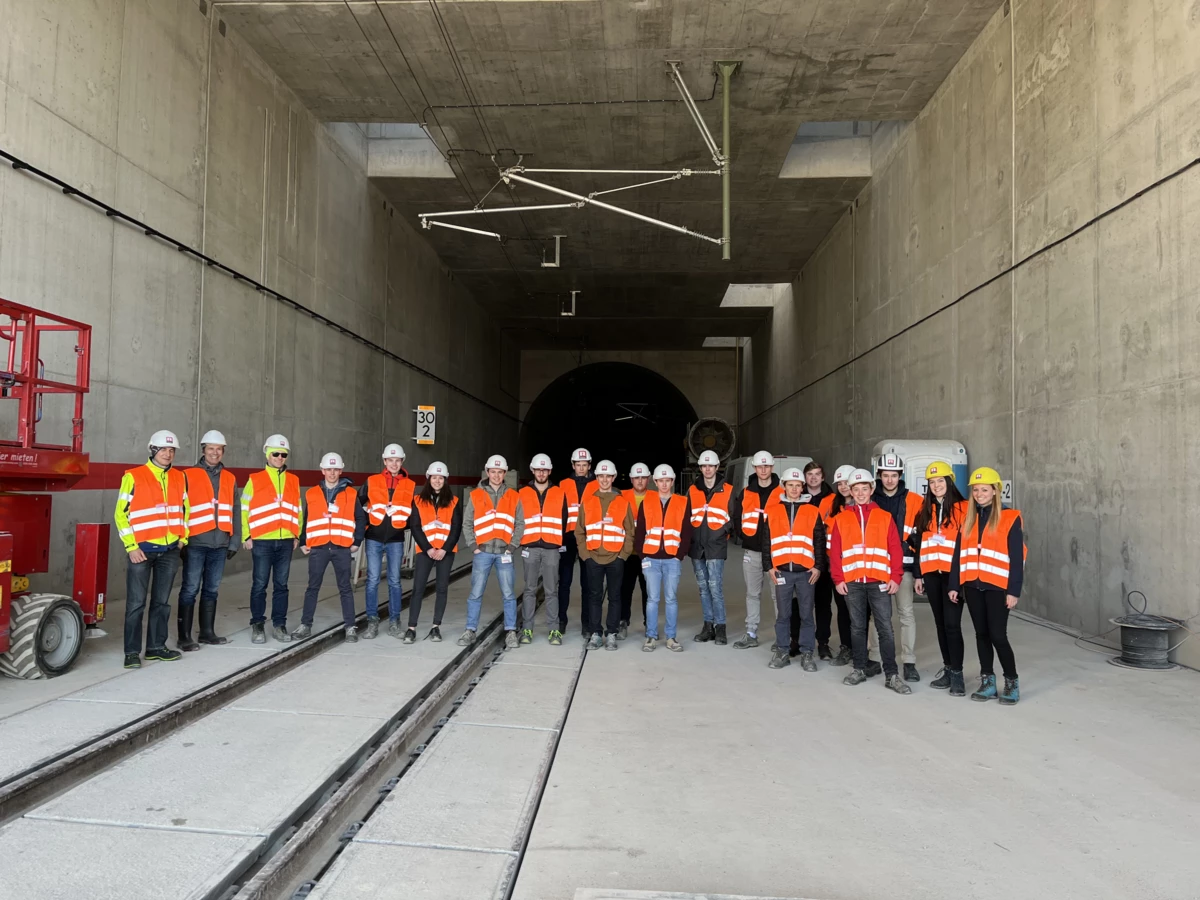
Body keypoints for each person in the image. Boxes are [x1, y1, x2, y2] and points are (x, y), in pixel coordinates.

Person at [830, 468, 911, 695]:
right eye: (856, 489)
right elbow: (834, 552)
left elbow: (896, 550)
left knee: (885, 628)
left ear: (871, 490)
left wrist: (895, 577)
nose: (861, 493)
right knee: (857, 628)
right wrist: (838, 579)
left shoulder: (884, 517)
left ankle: (892, 675)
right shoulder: (841, 518)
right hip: (853, 582)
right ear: (851, 492)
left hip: (879, 582)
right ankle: (859, 668)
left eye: (865, 489)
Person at [950, 467, 1024, 705]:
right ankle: (988, 682)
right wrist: (954, 585)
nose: (979, 494)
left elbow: (1016, 558)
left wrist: (1014, 591)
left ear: (995, 491)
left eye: (984, 489)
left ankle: (1011, 681)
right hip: (972, 586)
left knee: (998, 636)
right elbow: (957, 555)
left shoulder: (1010, 518)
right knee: (981, 634)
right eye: (975, 490)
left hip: (998, 588)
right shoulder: (967, 519)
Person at [115, 430, 189, 669]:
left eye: (171, 450)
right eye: (163, 449)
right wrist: (131, 546)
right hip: (142, 551)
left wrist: (182, 539)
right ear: (153, 450)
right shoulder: (134, 476)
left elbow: (185, 510)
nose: (168, 454)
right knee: (136, 603)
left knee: (162, 602)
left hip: (169, 550)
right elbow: (121, 514)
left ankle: (156, 648)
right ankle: (131, 652)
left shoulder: (180, 477)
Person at [177, 429, 238, 650]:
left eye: (219, 449)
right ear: (203, 450)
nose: (215, 453)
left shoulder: (230, 478)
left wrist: (234, 541)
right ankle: (184, 637)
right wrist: (181, 540)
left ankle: (207, 632)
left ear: (223, 452)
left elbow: (236, 510)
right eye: (211, 449)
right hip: (195, 542)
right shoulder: (187, 475)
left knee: (211, 589)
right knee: (190, 588)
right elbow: (179, 509)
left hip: (220, 543)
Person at [762, 467, 827, 671]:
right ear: (784, 486)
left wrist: (818, 566)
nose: (794, 489)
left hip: (806, 571)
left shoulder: (812, 510)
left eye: (798, 485)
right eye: (790, 485)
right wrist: (768, 567)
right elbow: (766, 541)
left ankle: (807, 653)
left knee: (807, 614)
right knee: (783, 615)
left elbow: (819, 540)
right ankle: (782, 651)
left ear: (802, 487)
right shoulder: (772, 511)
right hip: (782, 571)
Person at [913, 462, 968, 695]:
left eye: (940, 481)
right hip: (931, 575)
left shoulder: (965, 508)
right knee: (940, 624)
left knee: (953, 625)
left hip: (954, 576)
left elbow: (966, 545)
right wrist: (918, 575)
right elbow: (918, 546)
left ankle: (957, 674)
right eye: (932, 482)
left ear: (950, 482)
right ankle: (948, 668)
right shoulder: (924, 511)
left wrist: (959, 579)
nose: (936, 486)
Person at [295, 453, 364, 641]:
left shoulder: (351, 493)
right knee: (312, 587)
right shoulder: (311, 493)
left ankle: (350, 626)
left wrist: (357, 541)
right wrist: (303, 541)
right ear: (322, 470)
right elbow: (306, 519)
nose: (332, 473)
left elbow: (360, 517)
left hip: (342, 547)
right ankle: (305, 625)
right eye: (329, 469)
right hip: (319, 547)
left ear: (340, 471)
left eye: (335, 469)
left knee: (345, 588)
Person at [242, 433, 303, 643]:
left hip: (286, 540)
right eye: (275, 453)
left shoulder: (293, 480)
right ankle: (257, 625)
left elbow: (298, 509)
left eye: (283, 454)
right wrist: (246, 535)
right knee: (259, 585)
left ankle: (279, 625)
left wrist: (297, 534)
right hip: (262, 541)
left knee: (281, 585)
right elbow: (244, 508)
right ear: (267, 454)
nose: (279, 457)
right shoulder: (255, 479)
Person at [868, 452, 923, 682]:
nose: (889, 480)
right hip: (876, 568)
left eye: (894, 475)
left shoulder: (916, 501)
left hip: (905, 568)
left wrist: (919, 574)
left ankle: (909, 662)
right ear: (878, 475)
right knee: (877, 616)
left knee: (906, 614)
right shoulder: (869, 500)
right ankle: (874, 658)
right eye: (885, 475)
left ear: (900, 475)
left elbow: (921, 540)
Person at [461, 455, 524, 649]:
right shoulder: (476, 495)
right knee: (476, 593)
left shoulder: (514, 496)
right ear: (487, 472)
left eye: (500, 472)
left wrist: (512, 546)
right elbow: (467, 523)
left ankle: (511, 631)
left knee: (508, 594)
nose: (496, 475)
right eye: (493, 472)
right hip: (484, 552)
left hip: (504, 552)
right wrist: (473, 546)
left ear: (505, 474)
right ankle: (470, 630)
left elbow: (520, 524)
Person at [576, 459, 635, 650]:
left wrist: (623, 555)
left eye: (607, 476)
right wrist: (585, 555)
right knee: (594, 596)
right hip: (593, 557)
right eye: (601, 476)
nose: (604, 480)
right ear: (597, 477)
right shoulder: (588, 502)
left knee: (615, 597)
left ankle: (611, 633)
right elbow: (579, 531)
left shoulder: (622, 502)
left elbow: (629, 532)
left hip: (615, 559)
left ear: (613, 477)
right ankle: (595, 633)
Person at [728, 450, 782, 650]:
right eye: (760, 466)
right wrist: (744, 536)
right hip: (752, 552)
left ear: (772, 467)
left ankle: (781, 636)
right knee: (752, 594)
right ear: (755, 468)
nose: (763, 470)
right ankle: (751, 633)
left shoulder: (782, 491)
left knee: (779, 595)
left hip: (776, 553)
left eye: (767, 466)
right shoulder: (746, 492)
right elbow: (737, 516)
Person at [635, 464, 692, 652]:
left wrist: (679, 555)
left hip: (671, 559)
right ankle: (651, 637)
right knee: (652, 599)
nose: (665, 484)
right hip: (651, 558)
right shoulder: (647, 502)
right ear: (656, 482)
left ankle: (671, 638)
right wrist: (643, 555)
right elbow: (641, 531)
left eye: (668, 480)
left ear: (672, 481)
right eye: (661, 481)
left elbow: (686, 532)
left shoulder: (683, 502)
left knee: (671, 599)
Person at [360, 443, 414, 639]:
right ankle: (372, 622)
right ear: (384, 461)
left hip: (396, 539)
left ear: (402, 462)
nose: (394, 463)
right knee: (373, 580)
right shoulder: (371, 481)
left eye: (397, 460)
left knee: (394, 582)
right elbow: (359, 505)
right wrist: (367, 523)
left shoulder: (409, 484)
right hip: (374, 537)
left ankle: (394, 622)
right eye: (390, 460)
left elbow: (412, 511)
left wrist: (404, 524)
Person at [408, 461, 462, 643]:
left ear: (445, 480)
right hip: (426, 551)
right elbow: (415, 527)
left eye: (441, 478)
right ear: (428, 478)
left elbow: (456, 529)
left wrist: (444, 550)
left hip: (445, 552)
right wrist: (428, 548)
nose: (437, 481)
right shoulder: (417, 500)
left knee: (441, 588)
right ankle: (411, 628)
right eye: (434, 477)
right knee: (418, 588)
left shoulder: (454, 501)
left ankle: (435, 627)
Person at [518, 454, 566, 645]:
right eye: (538, 469)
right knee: (529, 589)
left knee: (551, 590)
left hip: (551, 548)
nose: (541, 473)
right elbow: (518, 519)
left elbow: (564, 520)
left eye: (544, 470)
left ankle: (554, 630)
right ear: (533, 470)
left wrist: (557, 542)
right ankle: (527, 629)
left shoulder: (559, 492)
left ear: (550, 471)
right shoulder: (522, 493)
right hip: (530, 546)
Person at [689, 449, 734, 644]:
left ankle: (720, 627)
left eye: (711, 466)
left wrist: (722, 532)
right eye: (704, 466)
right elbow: (686, 517)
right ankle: (708, 626)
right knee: (703, 588)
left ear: (717, 467)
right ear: (701, 468)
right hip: (697, 547)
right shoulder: (693, 490)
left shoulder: (729, 490)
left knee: (715, 588)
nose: (707, 469)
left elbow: (734, 518)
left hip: (715, 546)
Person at [557, 447, 597, 636]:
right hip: (567, 537)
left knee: (587, 583)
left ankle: (586, 623)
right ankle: (561, 620)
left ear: (589, 465)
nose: (581, 468)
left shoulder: (597, 485)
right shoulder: (563, 484)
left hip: (588, 538)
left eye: (584, 465)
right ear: (573, 465)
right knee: (564, 581)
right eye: (578, 465)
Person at [819, 465, 856, 666]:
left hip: (856, 566)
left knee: (858, 610)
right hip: (834, 565)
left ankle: (860, 648)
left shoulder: (862, 505)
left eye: (846, 483)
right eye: (840, 483)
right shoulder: (828, 504)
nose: (843, 487)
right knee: (842, 607)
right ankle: (846, 647)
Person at [801, 461, 838, 660]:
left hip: (825, 558)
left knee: (823, 604)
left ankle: (823, 643)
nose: (813, 478)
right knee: (801, 603)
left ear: (823, 477)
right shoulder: (798, 497)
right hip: (801, 557)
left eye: (817, 474)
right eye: (809, 474)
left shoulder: (833, 499)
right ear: (805, 477)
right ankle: (796, 641)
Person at [618, 462, 651, 638]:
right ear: (631, 479)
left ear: (648, 479)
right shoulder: (621, 497)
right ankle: (623, 621)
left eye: (643, 478)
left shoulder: (654, 497)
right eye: (636, 478)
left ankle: (649, 623)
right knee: (625, 589)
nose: (639, 481)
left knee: (648, 591)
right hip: (628, 553)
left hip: (648, 554)